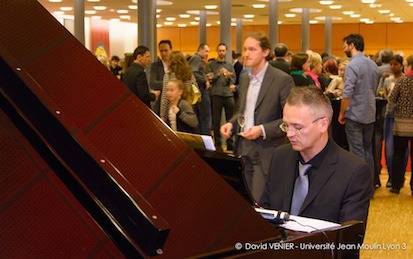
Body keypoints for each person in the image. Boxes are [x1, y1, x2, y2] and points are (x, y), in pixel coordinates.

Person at [261, 86, 373, 225]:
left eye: (297, 127)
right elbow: (265, 212)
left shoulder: (353, 172)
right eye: (285, 125)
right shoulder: (280, 156)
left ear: (323, 124)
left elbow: (349, 239)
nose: (289, 133)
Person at [220, 33, 294, 202]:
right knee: (243, 200)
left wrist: (261, 130)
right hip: (243, 147)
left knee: (258, 201)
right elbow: (242, 111)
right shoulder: (245, 78)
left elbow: (289, 120)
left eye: (252, 49)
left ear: (266, 52)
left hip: (267, 150)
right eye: (245, 49)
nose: (246, 53)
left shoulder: (282, 80)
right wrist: (231, 124)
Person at [338, 34, 378, 181]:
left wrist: (342, 113)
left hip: (354, 114)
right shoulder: (372, 64)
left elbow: (347, 92)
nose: (344, 49)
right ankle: (369, 184)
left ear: (352, 45)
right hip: (370, 113)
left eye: (345, 46)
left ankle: (359, 186)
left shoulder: (352, 65)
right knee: (368, 151)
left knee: (356, 152)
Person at [388, 55, 413, 195]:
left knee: (399, 154)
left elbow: (391, 99)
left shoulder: (401, 81)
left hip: (401, 124)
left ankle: (396, 185)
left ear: (409, 66)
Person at [206, 43, 236, 151]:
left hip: (228, 95)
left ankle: (230, 143)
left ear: (226, 51)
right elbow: (209, 79)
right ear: (217, 51)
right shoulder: (211, 64)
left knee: (230, 120)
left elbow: (234, 79)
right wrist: (218, 74)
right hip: (216, 94)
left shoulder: (230, 65)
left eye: (223, 50)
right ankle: (218, 144)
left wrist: (229, 76)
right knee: (216, 120)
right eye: (220, 50)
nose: (221, 52)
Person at [188, 44, 212, 135]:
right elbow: (193, 73)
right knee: (205, 117)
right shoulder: (196, 58)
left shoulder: (197, 59)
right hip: (200, 91)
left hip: (199, 91)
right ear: (200, 50)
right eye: (206, 51)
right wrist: (205, 80)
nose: (207, 54)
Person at [150, 40, 172, 114]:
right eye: (161, 51)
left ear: (171, 50)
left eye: (166, 50)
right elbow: (153, 83)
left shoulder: (176, 64)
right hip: (160, 103)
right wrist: (171, 85)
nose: (163, 53)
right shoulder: (155, 66)